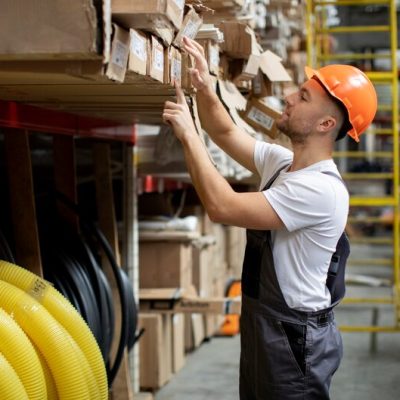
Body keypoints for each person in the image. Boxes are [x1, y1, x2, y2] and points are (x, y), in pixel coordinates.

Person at [163, 36, 377, 400]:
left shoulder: (320, 190)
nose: (290, 97)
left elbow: (223, 206)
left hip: (294, 340)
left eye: (304, 97)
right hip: (266, 326)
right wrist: (204, 85)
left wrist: (188, 134)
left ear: (326, 123)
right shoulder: (283, 165)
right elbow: (226, 131)